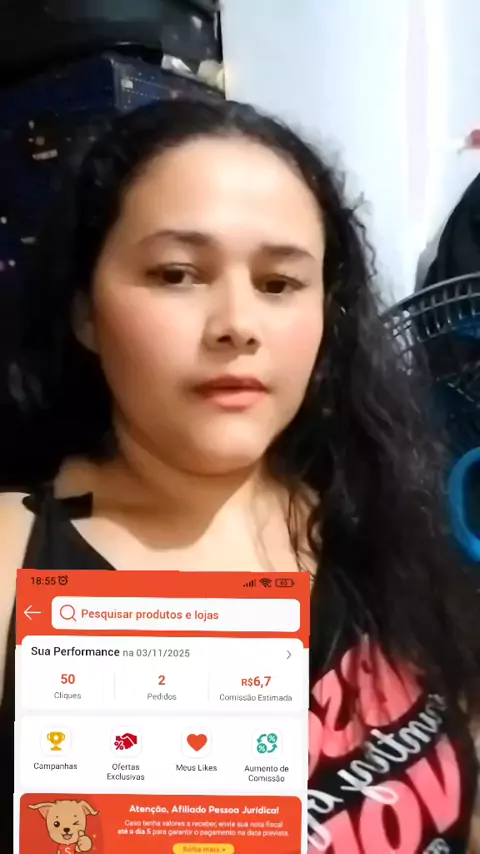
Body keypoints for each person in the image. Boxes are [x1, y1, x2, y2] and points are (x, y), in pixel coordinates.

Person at [0, 98, 479, 853]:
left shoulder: (371, 517)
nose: (237, 325)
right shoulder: (12, 564)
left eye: (280, 283)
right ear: (86, 312)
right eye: (177, 273)